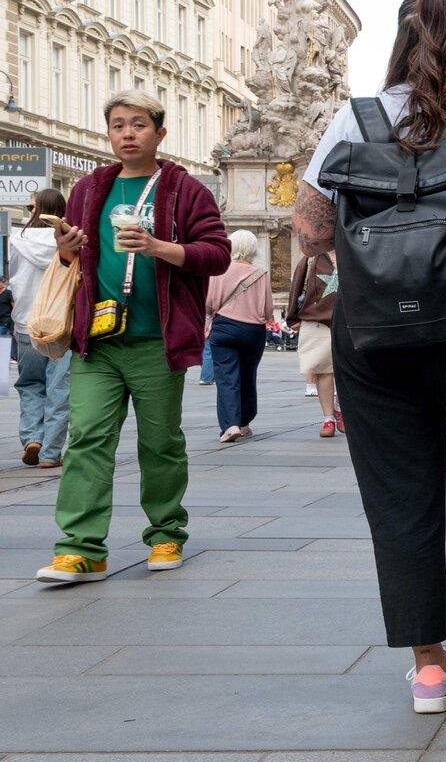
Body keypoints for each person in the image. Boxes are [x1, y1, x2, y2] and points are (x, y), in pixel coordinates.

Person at [293, 0, 446, 712]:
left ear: (396, 43)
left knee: (400, 504)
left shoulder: (354, 118)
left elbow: (308, 224)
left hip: (373, 339)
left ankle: (429, 668)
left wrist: (375, 260)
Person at [38, 90, 230, 583]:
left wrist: (159, 247)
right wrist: (65, 251)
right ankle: (81, 548)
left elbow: (216, 253)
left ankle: (166, 533)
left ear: (159, 133)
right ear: (109, 133)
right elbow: (78, 261)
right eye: (119, 125)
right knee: (86, 440)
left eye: (139, 124)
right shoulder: (88, 189)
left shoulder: (185, 190)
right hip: (97, 342)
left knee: (160, 442)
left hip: (155, 341)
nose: (128, 133)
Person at [11, 189, 72, 467]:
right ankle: (50, 453)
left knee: (30, 383)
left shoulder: (16, 239)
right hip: (60, 322)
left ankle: (32, 437)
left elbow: (11, 276)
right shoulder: (68, 239)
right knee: (60, 388)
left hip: (26, 321)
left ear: (36, 210)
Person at [206, 230, 273, 443]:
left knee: (226, 377)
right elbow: (268, 310)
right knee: (247, 374)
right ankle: (244, 421)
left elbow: (209, 302)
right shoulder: (261, 273)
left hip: (224, 327)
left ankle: (230, 425)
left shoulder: (219, 271)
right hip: (254, 330)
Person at [286, 250, 342, 436]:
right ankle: (328, 418)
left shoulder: (352, 248)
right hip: (317, 319)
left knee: (346, 371)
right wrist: (293, 317)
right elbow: (297, 284)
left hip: (350, 319)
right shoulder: (311, 257)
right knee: (322, 370)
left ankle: (341, 410)